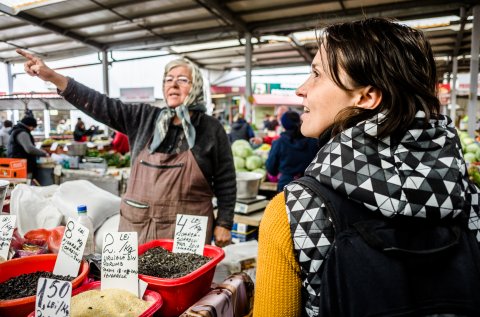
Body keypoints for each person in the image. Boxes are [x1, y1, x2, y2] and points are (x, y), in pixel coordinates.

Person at [253, 18, 480, 316]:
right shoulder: (469, 199)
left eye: (317, 74)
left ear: (367, 97)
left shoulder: (291, 212)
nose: (301, 89)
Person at [17, 49, 236, 247]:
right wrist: (53, 77)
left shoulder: (210, 128)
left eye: (182, 80)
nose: (173, 85)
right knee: (135, 289)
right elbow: (99, 104)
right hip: (140, 226)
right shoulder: (143, 117)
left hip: (188, 231)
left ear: (196, 87)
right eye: (168, 79)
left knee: (185, 288)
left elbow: (226, 179)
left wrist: (224, 222)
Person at [265, 111, 318, 192]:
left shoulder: (279, 143)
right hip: (310, 186)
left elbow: (271, 168)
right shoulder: (313, 142)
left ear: (283, 124)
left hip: (286, 186)